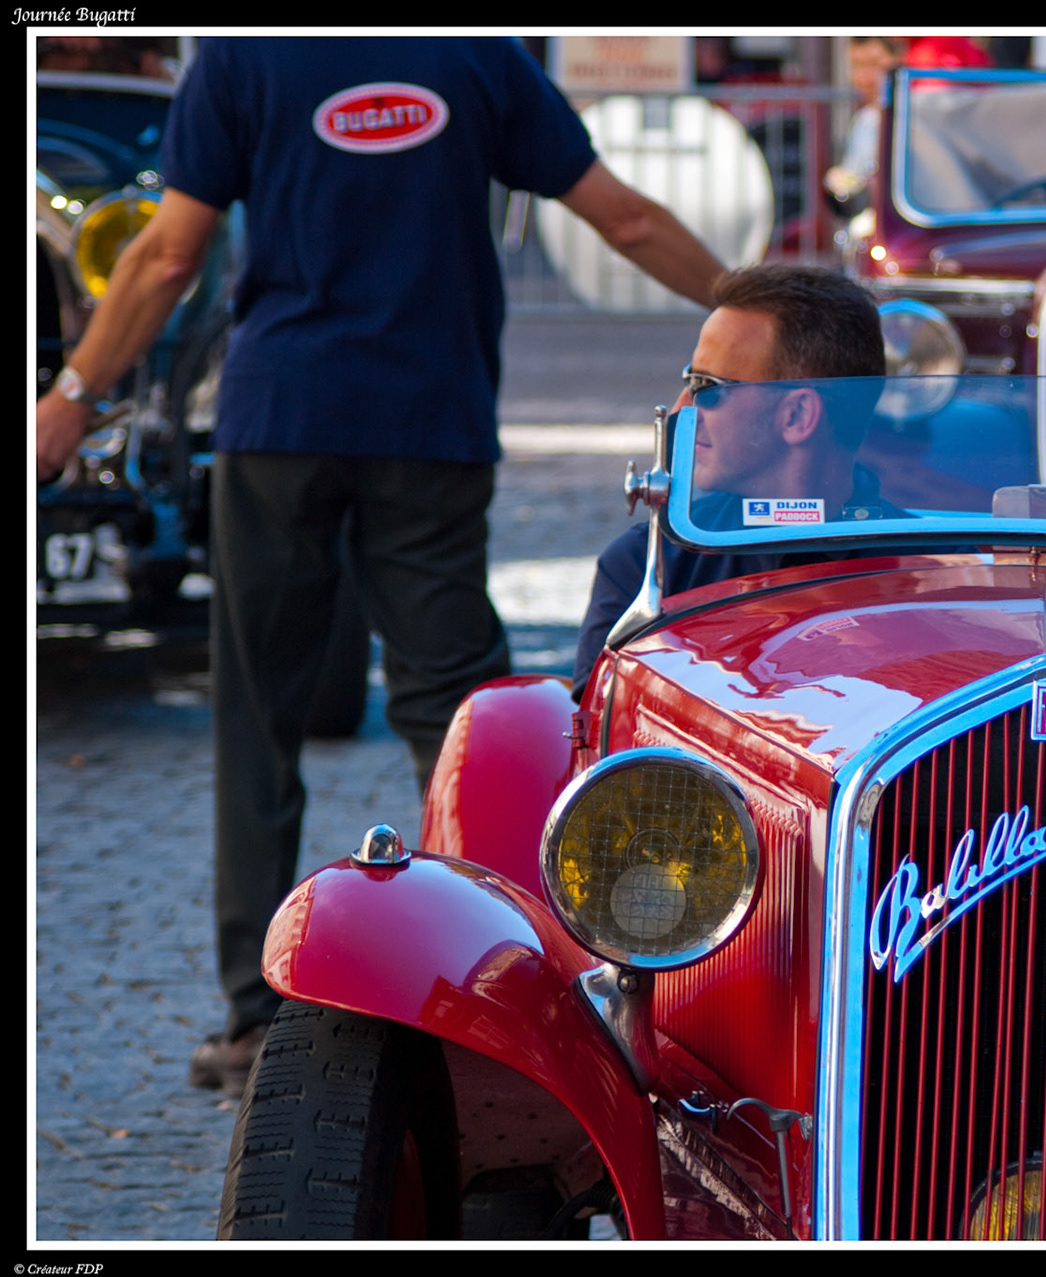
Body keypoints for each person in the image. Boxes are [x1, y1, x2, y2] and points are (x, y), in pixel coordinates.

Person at [33, 36, 728, 1097]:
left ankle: (250, 1020)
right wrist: (753, 303)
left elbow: (169, 254)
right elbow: (621, 216)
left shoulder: (243, 59)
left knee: (256, 710)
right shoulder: (475, 58)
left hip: (284, 419)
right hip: (428, 419)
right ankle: (501, 999)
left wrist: (75, 394)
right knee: (460, 713)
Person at [573, 263, 890, 693]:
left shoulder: (943, 568)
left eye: (708, 387)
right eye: (689, 381)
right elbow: (602, 736)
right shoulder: (643, 565)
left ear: (797, 415)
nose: (681, 408)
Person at [825, 36, 904, 213]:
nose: (865, 78)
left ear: (899, 61)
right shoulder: (864, 120)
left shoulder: (912, 121)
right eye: (857, 65)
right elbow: (854, 178)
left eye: (875, 64)